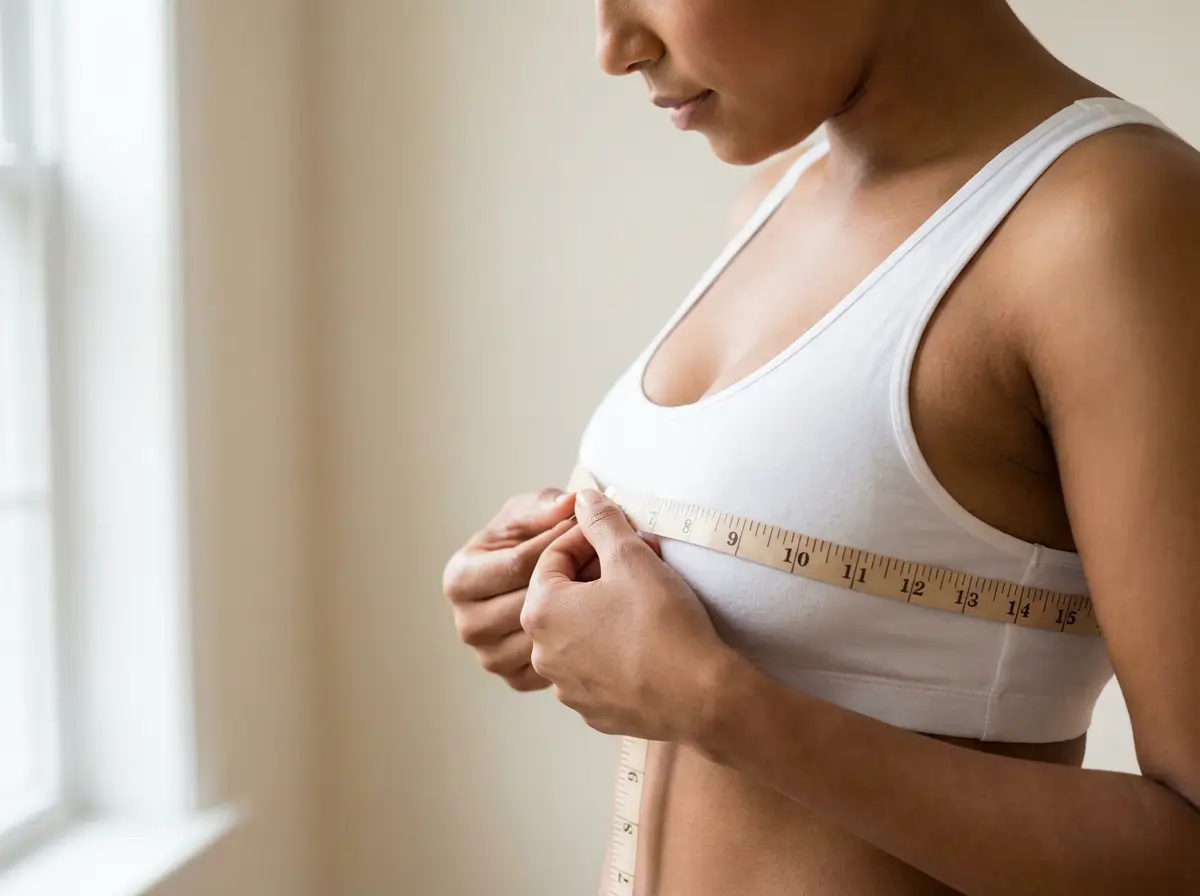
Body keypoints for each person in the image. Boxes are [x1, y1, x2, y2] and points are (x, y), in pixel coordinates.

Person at [441, 1, 1200, 893]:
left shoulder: (1114, 222)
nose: (615, 50)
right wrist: (537, 596)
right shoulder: (777, 196)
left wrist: (718, 707)